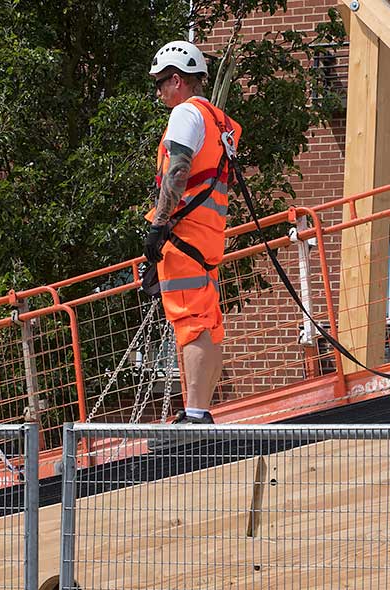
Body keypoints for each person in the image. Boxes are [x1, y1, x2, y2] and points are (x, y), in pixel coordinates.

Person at [143, 40, 242, 425]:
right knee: (209, 323)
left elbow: (179, 169)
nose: (158, 92)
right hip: (207, 235)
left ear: (177, 80)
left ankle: (196, 414)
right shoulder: (218, 121)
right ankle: (200, 409)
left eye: (160, 83)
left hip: (183, 235)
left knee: (192, 321)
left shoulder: (185, 113)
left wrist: (159, 224)